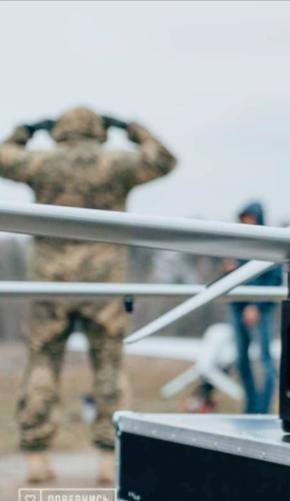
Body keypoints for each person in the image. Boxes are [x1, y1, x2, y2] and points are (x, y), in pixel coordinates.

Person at [0, 106, 177, 484]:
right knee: (109, 366)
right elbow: (164, 159)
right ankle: (108, 456)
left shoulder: (42, 163)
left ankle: (36, 456)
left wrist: (24, 132)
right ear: (99, 130)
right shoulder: (116, 164)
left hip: (51, 281)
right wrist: (132, 128)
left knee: (43, 363)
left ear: (60, 131)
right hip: (103, 282)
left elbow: (3, 158)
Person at [222, 202, 283, 414]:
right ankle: (251, 407)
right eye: (244, 218)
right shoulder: (237, 244)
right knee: (241, 359)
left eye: (250, 217)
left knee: (265, 359)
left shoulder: (269, 244)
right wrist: (228, 270)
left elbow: (274, 278)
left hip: (261, 307)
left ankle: (263, 410)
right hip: (237, 305)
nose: (247, 222)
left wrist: (256, 306)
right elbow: (233, 277)